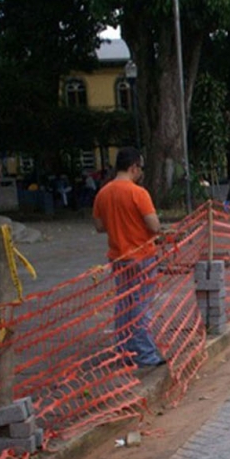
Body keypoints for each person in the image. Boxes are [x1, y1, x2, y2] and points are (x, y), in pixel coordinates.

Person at [92, 147, 166, 369]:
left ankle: (124, 352)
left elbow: (98, 226)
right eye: (140, 168)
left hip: (118, 258)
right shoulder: (138, 193)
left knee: (124, 306)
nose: (140, 172)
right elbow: (154, 226)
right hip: (142, 257)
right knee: (141, 307)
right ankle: (145, 354)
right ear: (134, 167)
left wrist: (119, 225)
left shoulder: (103, 193)